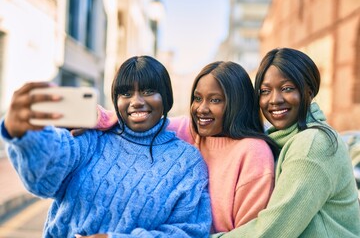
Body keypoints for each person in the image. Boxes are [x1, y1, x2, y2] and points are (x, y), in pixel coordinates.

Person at [0, 56, 212, 237]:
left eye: (148, 91)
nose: (136, 101)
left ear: (166, 98)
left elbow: (190, 232)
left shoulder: (188, 163)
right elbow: (44, 178)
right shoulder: (93, 137)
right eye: (126, 94)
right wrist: (25, 134)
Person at [85, 61, 279, 233]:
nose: (201, 108)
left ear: (238, 103)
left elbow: (249, 232)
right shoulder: (191, 130)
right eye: (197, 98)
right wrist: (93, 119)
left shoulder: (254, 152)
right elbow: (139, 119)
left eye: (215, 100)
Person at [211, 48, 360, 237]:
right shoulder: (281, 140)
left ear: (309, 91)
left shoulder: (312, 144)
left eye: (287, 88)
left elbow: (272, 230)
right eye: (265, 91)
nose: (274, 100)